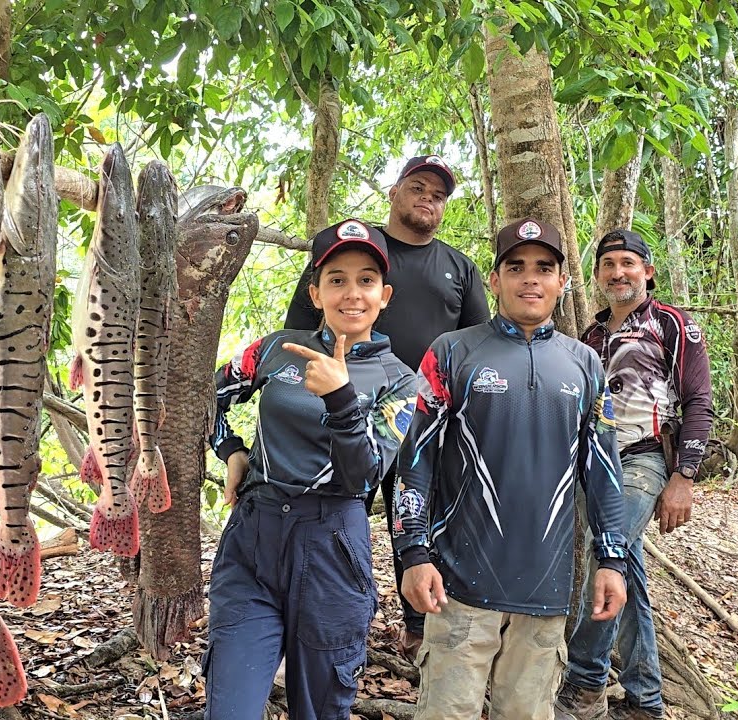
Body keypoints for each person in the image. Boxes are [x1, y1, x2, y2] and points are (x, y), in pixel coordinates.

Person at [391, 218, 629, 720]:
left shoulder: (585, 365)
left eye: (545, 268)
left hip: (545, 595)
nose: (530, 279)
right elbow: (415, 460)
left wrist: (612, 561)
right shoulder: (452, 352)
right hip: (457, 589)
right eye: (515, 267)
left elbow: (603, 473)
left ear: (563, 283)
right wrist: (413, 552)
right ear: (494, 280)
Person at [206, 219, 417, 719]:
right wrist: (232, 450)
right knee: (229, 706)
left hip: (332, 547)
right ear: (315, 291)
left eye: (366, 280)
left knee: (321, 708)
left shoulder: (401, 382)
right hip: (253, 541)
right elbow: (205, 396)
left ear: (383, 295)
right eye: (336, 279)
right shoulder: (277, 348)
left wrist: (342, 398)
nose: (352, 293)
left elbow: (364, 478)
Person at [284, 154, 490, 659]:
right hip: (344, 408)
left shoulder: (458, 267)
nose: (428, 199)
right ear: (395, 192)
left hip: (427, 417)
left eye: (439, 195)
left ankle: (420, 624)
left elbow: (478, 344)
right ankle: (308, 612)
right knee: (330, 505)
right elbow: (297, 327)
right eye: (418, 187)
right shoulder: (357, 250)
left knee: (417, 511)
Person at [556, 229, 715, 720]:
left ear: (647, 271)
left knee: (607, 557)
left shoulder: (672, 324)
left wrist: (683, 476)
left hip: (644, 459)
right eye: (608, 264)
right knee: (626, 573)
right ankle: (646, 699)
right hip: (593, 464)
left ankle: (583, 685)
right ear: (598, 275)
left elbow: (699, 402)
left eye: (628, 262)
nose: (617, 272)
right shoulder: (591, 335)